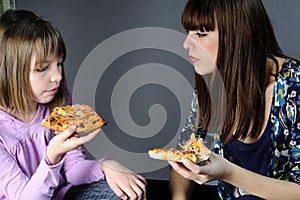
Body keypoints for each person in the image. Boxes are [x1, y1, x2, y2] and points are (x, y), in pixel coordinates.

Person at [0, 9, 146, 200]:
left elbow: (73, 168)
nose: (57, 77)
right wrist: (51, 157)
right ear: (10, 72)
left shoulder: (58, 99)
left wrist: (106, 165)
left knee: (123, 193)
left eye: (59, 64)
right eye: (43, 68)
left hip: (60, 194)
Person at [169, 0, 300, 199]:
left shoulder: (294, 87)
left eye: (201, 34)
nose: (186, 44)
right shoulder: (211, 86)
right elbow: (183, 154)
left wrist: (228, 173)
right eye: (188, 32)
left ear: (241, 34)